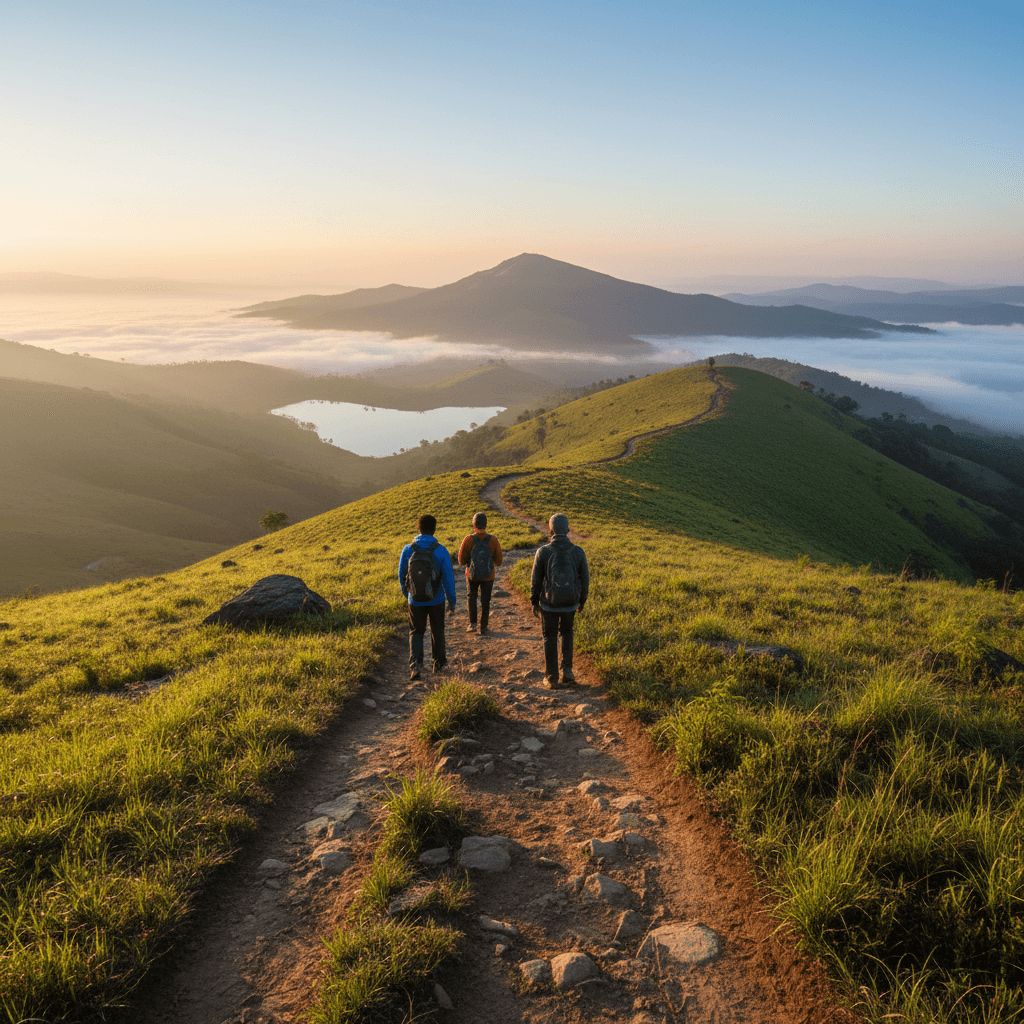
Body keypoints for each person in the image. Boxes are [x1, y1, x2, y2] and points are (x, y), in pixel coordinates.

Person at [530, 513, 589, 689]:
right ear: (568, 530)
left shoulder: (543, 552)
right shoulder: (578, 552)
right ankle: (568, 672)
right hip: (570, 602)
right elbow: (585, 579)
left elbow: (536, 580)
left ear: (550, 530)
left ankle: (551, 676)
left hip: (549, 603)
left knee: (549, 637)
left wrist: (534, 601)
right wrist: (582, 601)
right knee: (567, 633)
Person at [399, 514, 457, 681]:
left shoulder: (408, 549)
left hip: (414, 600)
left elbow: (402, 575)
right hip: (436, 600)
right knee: (437, 631)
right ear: (434, 529)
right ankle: (438, 664)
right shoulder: (441, 550)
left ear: (419, 528)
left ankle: (416, 666)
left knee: (416, 631)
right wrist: (452, 602)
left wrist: (408, 594)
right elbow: (448, 579)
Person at [458, 511, 503, 635]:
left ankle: (472, 624)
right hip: (489, 576)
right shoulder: (493, 540)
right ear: (486, 525)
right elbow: (499, 561)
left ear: (474, 525)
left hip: (471, 575)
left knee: (471, 596)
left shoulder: (468, 540)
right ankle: (484, 626)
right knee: (485, 600)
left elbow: (461, 561)